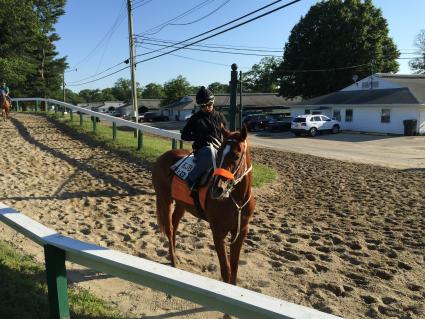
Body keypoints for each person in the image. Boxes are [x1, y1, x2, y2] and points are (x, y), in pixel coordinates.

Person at [181, 86, 226, 194]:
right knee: (211, 153)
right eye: (203, 106)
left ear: (213, 102)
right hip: (202, 149)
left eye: (209, 104)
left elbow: (225, 133)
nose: (206, 108)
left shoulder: (220, 117)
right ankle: (191, 178)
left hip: (218, 146)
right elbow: (184, 135)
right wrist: (199, 136)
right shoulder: (195, 118)